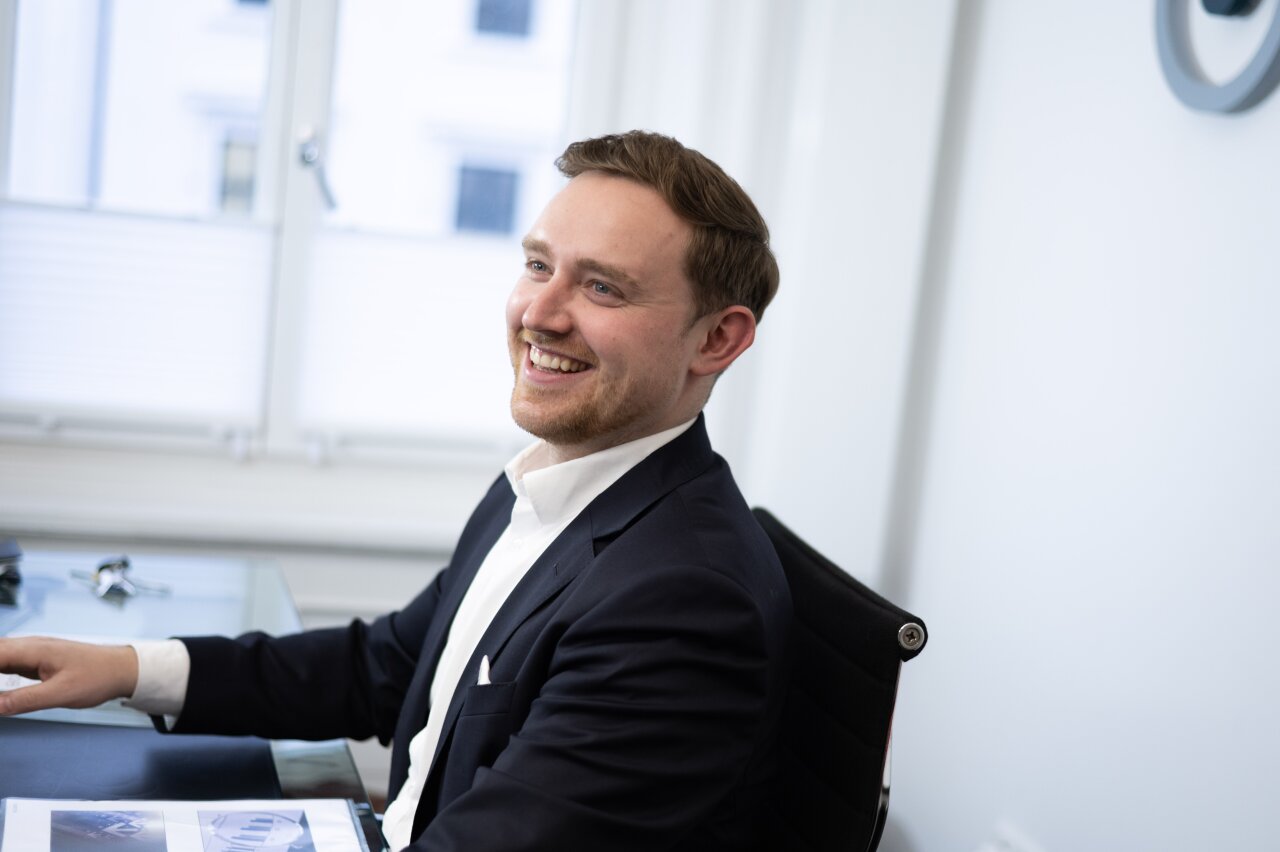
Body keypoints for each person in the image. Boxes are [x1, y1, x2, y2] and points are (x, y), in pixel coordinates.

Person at [0, 131, 791, 851]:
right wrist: (130, 668)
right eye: (538, 266)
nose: (538, 314)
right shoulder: (554, 481)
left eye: (604, 289)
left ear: (717, 339)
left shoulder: (684, 597)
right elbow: (389, 665)